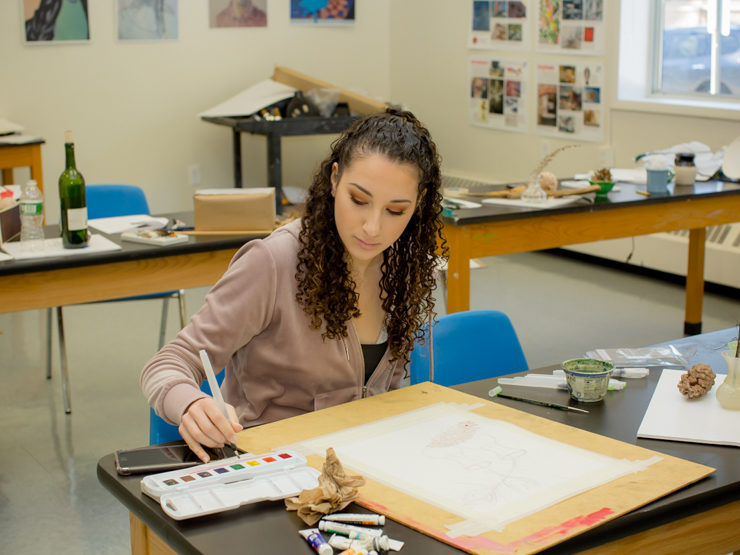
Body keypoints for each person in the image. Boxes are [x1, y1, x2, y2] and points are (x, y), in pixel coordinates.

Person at [140, 109, 447, 462]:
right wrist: (191, 403)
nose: (372, 228)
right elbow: (167, 363)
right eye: (358, 200)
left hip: (360, 464)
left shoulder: (401, 266)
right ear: (334, 180)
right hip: (271, 469)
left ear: (418, 204)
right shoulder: (272, 262)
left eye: (396, 211)